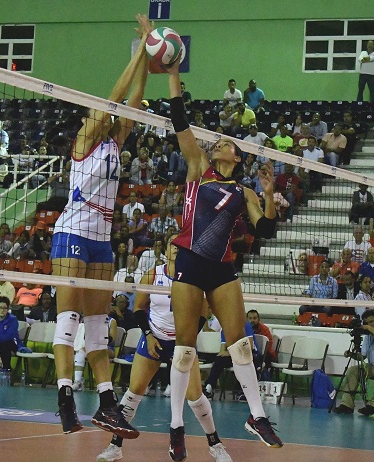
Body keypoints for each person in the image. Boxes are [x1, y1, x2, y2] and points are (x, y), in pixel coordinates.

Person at [163, 55, 282, 459]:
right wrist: (174, 72)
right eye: (217, 142)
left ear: (236, 156)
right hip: (191, 260)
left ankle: (257, 416)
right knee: (185, 347)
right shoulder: (198, 168)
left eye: (226, 143)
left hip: (222, 268)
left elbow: (265, 230)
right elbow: (180, 119)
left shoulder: (244, 192)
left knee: (241, 343)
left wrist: (267, 194)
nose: (219, 143)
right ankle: (177, 426)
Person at [49, 15, 151, 439]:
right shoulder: (85, 139)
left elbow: (136, 95)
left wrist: (148, 46)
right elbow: (116, 96)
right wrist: (142, 46)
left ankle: (107, 403)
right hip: (72, 232)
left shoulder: (115, 142)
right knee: (68, 318)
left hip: (101, 241)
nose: (107, 113)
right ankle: (65, 398)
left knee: (97, 325)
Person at [97, 234, 234, 462]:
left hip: (182, 342)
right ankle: (115, 446)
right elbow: (139, 309)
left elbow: (202, 313)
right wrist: (149, 336)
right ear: (165, 249)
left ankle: (215, 445)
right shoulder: (152, 274)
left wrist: (187, 339)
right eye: (172, 245)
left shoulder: (194, 277)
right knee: (133, 393)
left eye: (180, 246)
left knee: (196, 397)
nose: (175, 249)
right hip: (155, 337)